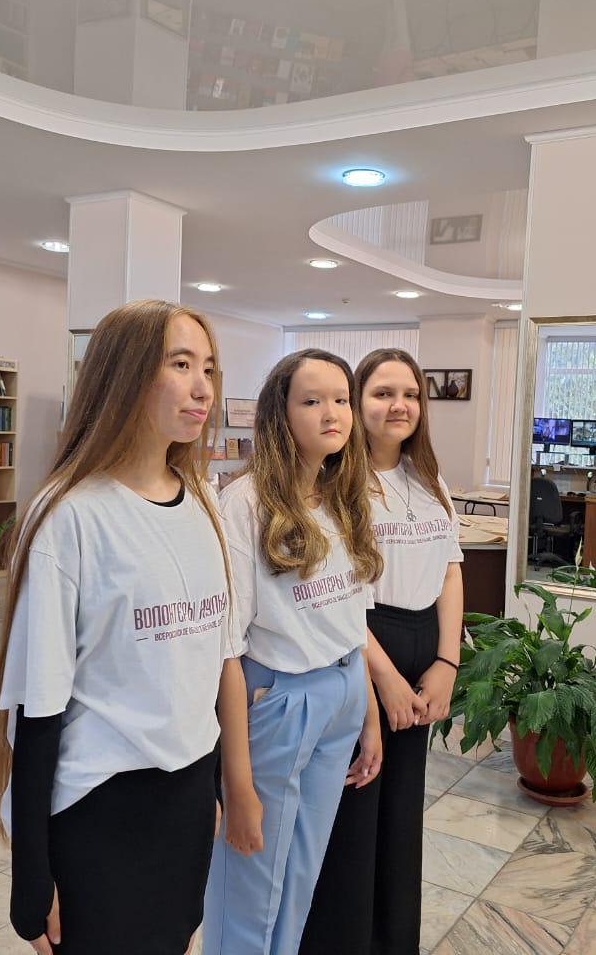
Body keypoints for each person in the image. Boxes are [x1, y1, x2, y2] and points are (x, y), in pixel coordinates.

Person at [0, 300, 235, 955]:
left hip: (185, 799)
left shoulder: (203, 503)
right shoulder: (70, 515)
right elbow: (37, 708)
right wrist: (31, 875)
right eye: (180, 365)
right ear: (125, 375)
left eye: (208, 368)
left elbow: (201, 672)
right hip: (102, 809)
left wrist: (210, 788)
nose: (203, 388)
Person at [203, 349, 384, 955]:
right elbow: (227, 650)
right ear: (280, 414)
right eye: (312, 401)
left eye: (341, 400)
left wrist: (369, 716)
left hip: (343, 690)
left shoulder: (345, 494)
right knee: (250, 881)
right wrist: (236, 783)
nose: (332, 413)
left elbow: (353, 620)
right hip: (278, 698)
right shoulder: (245, 503)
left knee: (300, 874)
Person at [300, 349, 464, 955]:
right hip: (362, 646)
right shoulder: (335, 486)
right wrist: (386, 680)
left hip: (424, 645)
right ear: (355, 402)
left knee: (400, 816)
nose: (399, 406)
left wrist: (446, 663)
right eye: (382, 393)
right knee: (354, 813)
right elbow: (337, 594)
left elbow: (450, 570)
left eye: (411, 394)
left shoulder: (430, 480)